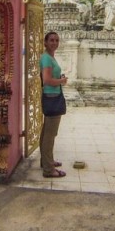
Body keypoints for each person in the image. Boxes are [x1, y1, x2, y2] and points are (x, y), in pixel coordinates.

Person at [40, 31, 67, 178]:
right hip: (52, 97)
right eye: (51, 40)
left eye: (57, 40)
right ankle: (49, 170)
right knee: (50, 135)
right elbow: (47, 80)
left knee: (47, 132)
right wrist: (62, 81)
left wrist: (59, 78)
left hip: (52, 95)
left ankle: (46, 161)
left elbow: (51, 77)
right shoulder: (46, 59)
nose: (54, 43)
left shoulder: (49, 57)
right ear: (45, 42)